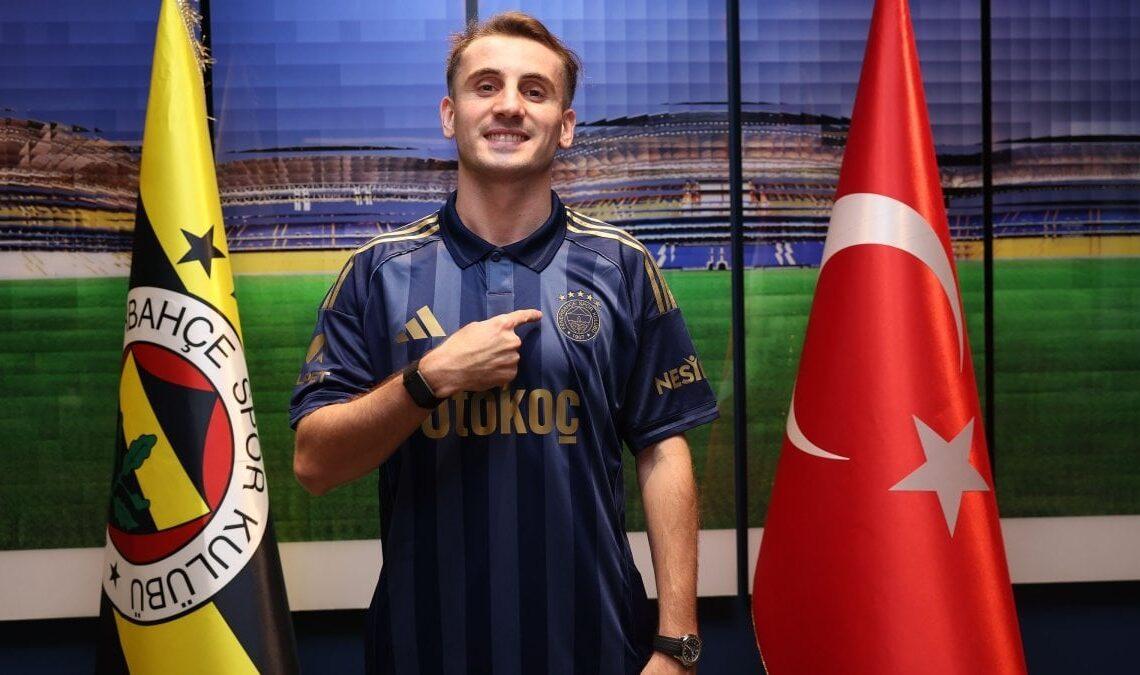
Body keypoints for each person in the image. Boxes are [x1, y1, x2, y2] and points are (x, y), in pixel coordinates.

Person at [290, 12, 718, 674]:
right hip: (423, 652)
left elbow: (663, 449)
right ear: (450, 115)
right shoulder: (376, 272)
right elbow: (315, 464)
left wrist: (678, 644)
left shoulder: (623, 266)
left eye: (534, 90)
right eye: (486, 85)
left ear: (565, 126)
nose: (510, 105)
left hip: (596, 650)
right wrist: (428, 379)